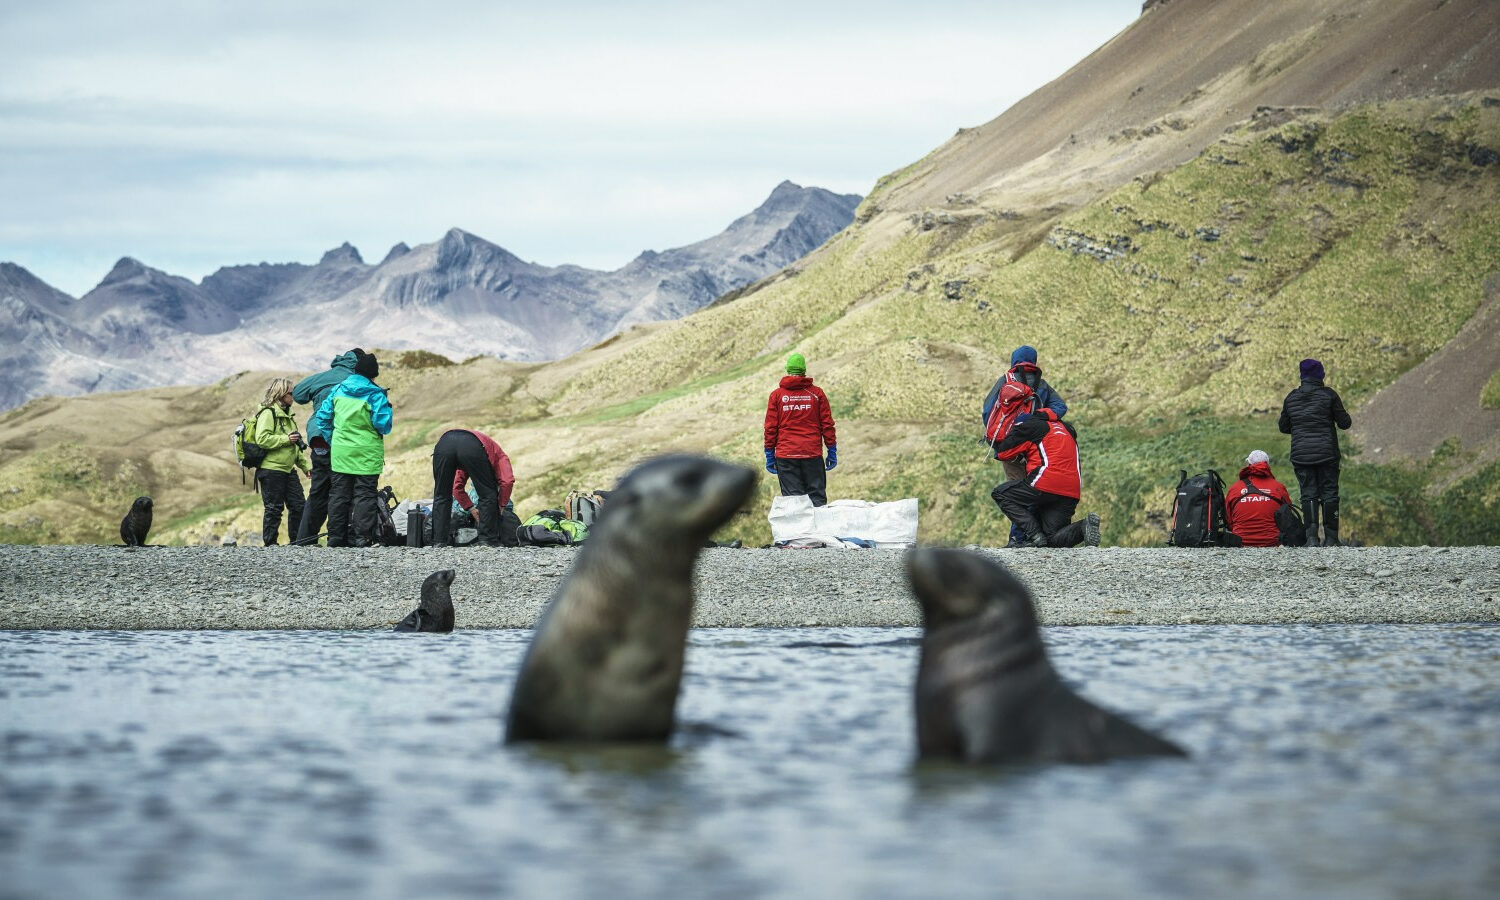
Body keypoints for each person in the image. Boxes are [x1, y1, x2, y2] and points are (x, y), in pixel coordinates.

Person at [989, 384, 1100, 548]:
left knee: (1001, 494)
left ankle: (1034, 535)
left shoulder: (1031, 426)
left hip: (1045, 482)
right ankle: (1082, 527)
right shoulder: (1066, 428)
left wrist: (1016, 434)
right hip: (1072, 490)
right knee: (1053, 540)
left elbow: (1003, 453)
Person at [981, 345, 1067, 546]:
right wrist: (1039, 418)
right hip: (1036, 448)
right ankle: (1033, 537)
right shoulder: (1042, 385)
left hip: (1009, 449)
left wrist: (999, 441)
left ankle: (1018, 539)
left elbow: (987, 412)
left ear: (1013, 361)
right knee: (1032, 488)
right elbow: (1061, 407)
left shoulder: (1004, 382)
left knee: (1015, 491)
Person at [310, 351, 392, 547]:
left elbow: (322, 417)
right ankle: (362, 539)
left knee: (339, 495)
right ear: (373, 374)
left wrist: (333, 439)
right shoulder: (375, 394)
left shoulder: (338, 390)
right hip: (367, 454)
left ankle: (335, 539)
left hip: (340, 453)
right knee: (365, 495)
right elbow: (384, 425)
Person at [291, 348, 362, 544]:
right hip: (344, 440)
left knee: (318, 490)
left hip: (319, 439)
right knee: (344, 489)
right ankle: (339, 538)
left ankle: (304, 540)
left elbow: (298, 394)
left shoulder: (322, 377)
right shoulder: (358, 379)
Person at [1278, 358, 1352, 546]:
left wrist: (1301, 427)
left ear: (1302, 376)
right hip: (1327, 453)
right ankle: (1331, 538)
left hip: (1301, 454)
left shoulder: (1291, 397)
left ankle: (1311, 538)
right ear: (1321, 375)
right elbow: (1345, 423)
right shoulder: (1329, 396)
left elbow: (1283, 427)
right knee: (1329, 493)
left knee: (1308, 493)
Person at [763, 352, 837, 507]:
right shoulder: (817, 394)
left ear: (788, 370)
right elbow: (827, 424)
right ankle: (820, 531)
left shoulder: (776, 396)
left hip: (786, 456)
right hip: (812, 454)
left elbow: (771, 428)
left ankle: (800, 532)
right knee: (817, 499)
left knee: (794, 503)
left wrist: (770, 454)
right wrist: (832, 450)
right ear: (804, 371)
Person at [428, 428, 517, 547]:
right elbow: (507, 481)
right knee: (488, 495)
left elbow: (456, 487)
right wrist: (501, 506)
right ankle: (487, 540)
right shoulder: (499, 456)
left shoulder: (473, 457)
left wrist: (470, 508)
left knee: (441, 494)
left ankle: (439, 541)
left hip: (444, 443)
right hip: (472, 446)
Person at [253, 377, 310, 546]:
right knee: (274, 509)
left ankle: (298, 542)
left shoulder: (288, 416)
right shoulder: (268, 413)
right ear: (281, 393)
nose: (294, 396)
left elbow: (295, 445)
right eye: (291, 393)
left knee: (299, 505)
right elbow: (262, 439)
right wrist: (286, 439)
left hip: (288, 469)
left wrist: (305, 467)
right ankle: (270, 545)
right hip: (271, 469)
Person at [1225, 450, 1293, 548]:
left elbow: (1229, 519)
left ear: (1248, 464)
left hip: (1240, 543)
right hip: (1273, 542)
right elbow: (1288, 515)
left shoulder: (1234, 489)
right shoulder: (1278, 487)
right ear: (1268, 466)